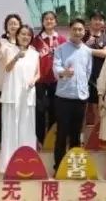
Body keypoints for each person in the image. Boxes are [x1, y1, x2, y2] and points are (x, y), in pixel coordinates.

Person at [51, 18, 93, 173]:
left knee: (76, 134)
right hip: (63, 97)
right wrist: (64, 72)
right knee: (62, 134)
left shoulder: (87, 51)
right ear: (70, 31)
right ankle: (58, 167)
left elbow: (88, 72)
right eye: (75, 29)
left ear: (84, 31)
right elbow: (56, 69)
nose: (77, 32)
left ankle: (75, 168)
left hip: (80, 98)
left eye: (80, 29)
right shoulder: (61, 49)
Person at [0, 25, 39, 174]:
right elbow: (7, 68)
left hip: (27, 95)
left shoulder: (35, 53)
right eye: (23, 34)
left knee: (26, 128)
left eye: (28, 35)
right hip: (12, 94)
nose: (25, 37)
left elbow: (38, 73)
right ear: (17, 35)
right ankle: (8, 164)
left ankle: (28, 163)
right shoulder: (9, 50)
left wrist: (34, 80)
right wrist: (16, 57)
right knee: (10, 128)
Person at [31, 11, 65, 146]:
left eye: (51, 19)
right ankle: (39, 140)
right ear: (42, 21)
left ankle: (51, 141)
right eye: (46, 19)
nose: (49, 21)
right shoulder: (36, 40)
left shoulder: (62, 40)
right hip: (40, 81)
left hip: (57, 81)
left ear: (56, 22)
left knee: (55, 111)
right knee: (39, 111)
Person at [0, 14, 22, 141]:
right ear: (6, 27)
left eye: (15, 23)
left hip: (18, 83)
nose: (13, 26)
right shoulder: (1, 41)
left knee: (17, 111)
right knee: (2, 112)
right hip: (3, 82)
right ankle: (0, 139)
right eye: (10, 24)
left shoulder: (23, 41)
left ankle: (16, 138)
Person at [84, 10, 106, 126]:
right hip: (83, 77)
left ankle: (97, 135)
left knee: (98, 108)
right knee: (83, 108)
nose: (97, 21)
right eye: (95, 19)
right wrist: (87, 46)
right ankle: (82, 135)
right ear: (90, 21)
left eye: (100, 19)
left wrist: (86, 49)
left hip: (99, 78)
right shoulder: (83, 35)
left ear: (103, 22)